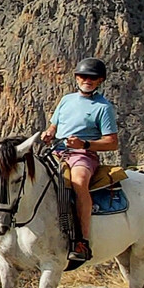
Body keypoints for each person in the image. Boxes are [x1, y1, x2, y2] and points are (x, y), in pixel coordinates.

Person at [40, 57, 119, 262]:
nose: (87, 80)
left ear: (100, 80)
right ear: (76, 77)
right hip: (57, 151)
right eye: (84, 76)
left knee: (78, 183)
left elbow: (112, 142)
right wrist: (49, 133)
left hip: (83, 155)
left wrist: (84, 145)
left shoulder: (103, 107)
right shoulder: (66, 99)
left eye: (93, 77)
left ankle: (82, 241)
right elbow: (54, 125)